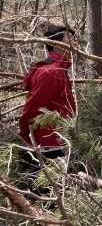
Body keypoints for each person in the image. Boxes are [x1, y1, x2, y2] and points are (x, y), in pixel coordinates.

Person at [18, 25, 76, 195]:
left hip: (57, 138)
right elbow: (34, 106)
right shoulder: (51, 71)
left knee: (54, 189)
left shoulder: (59, 68)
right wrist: (24, 131)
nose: (74, 43)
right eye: (70, 39)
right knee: (44, 191)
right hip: (48, 141)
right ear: (57, 44)